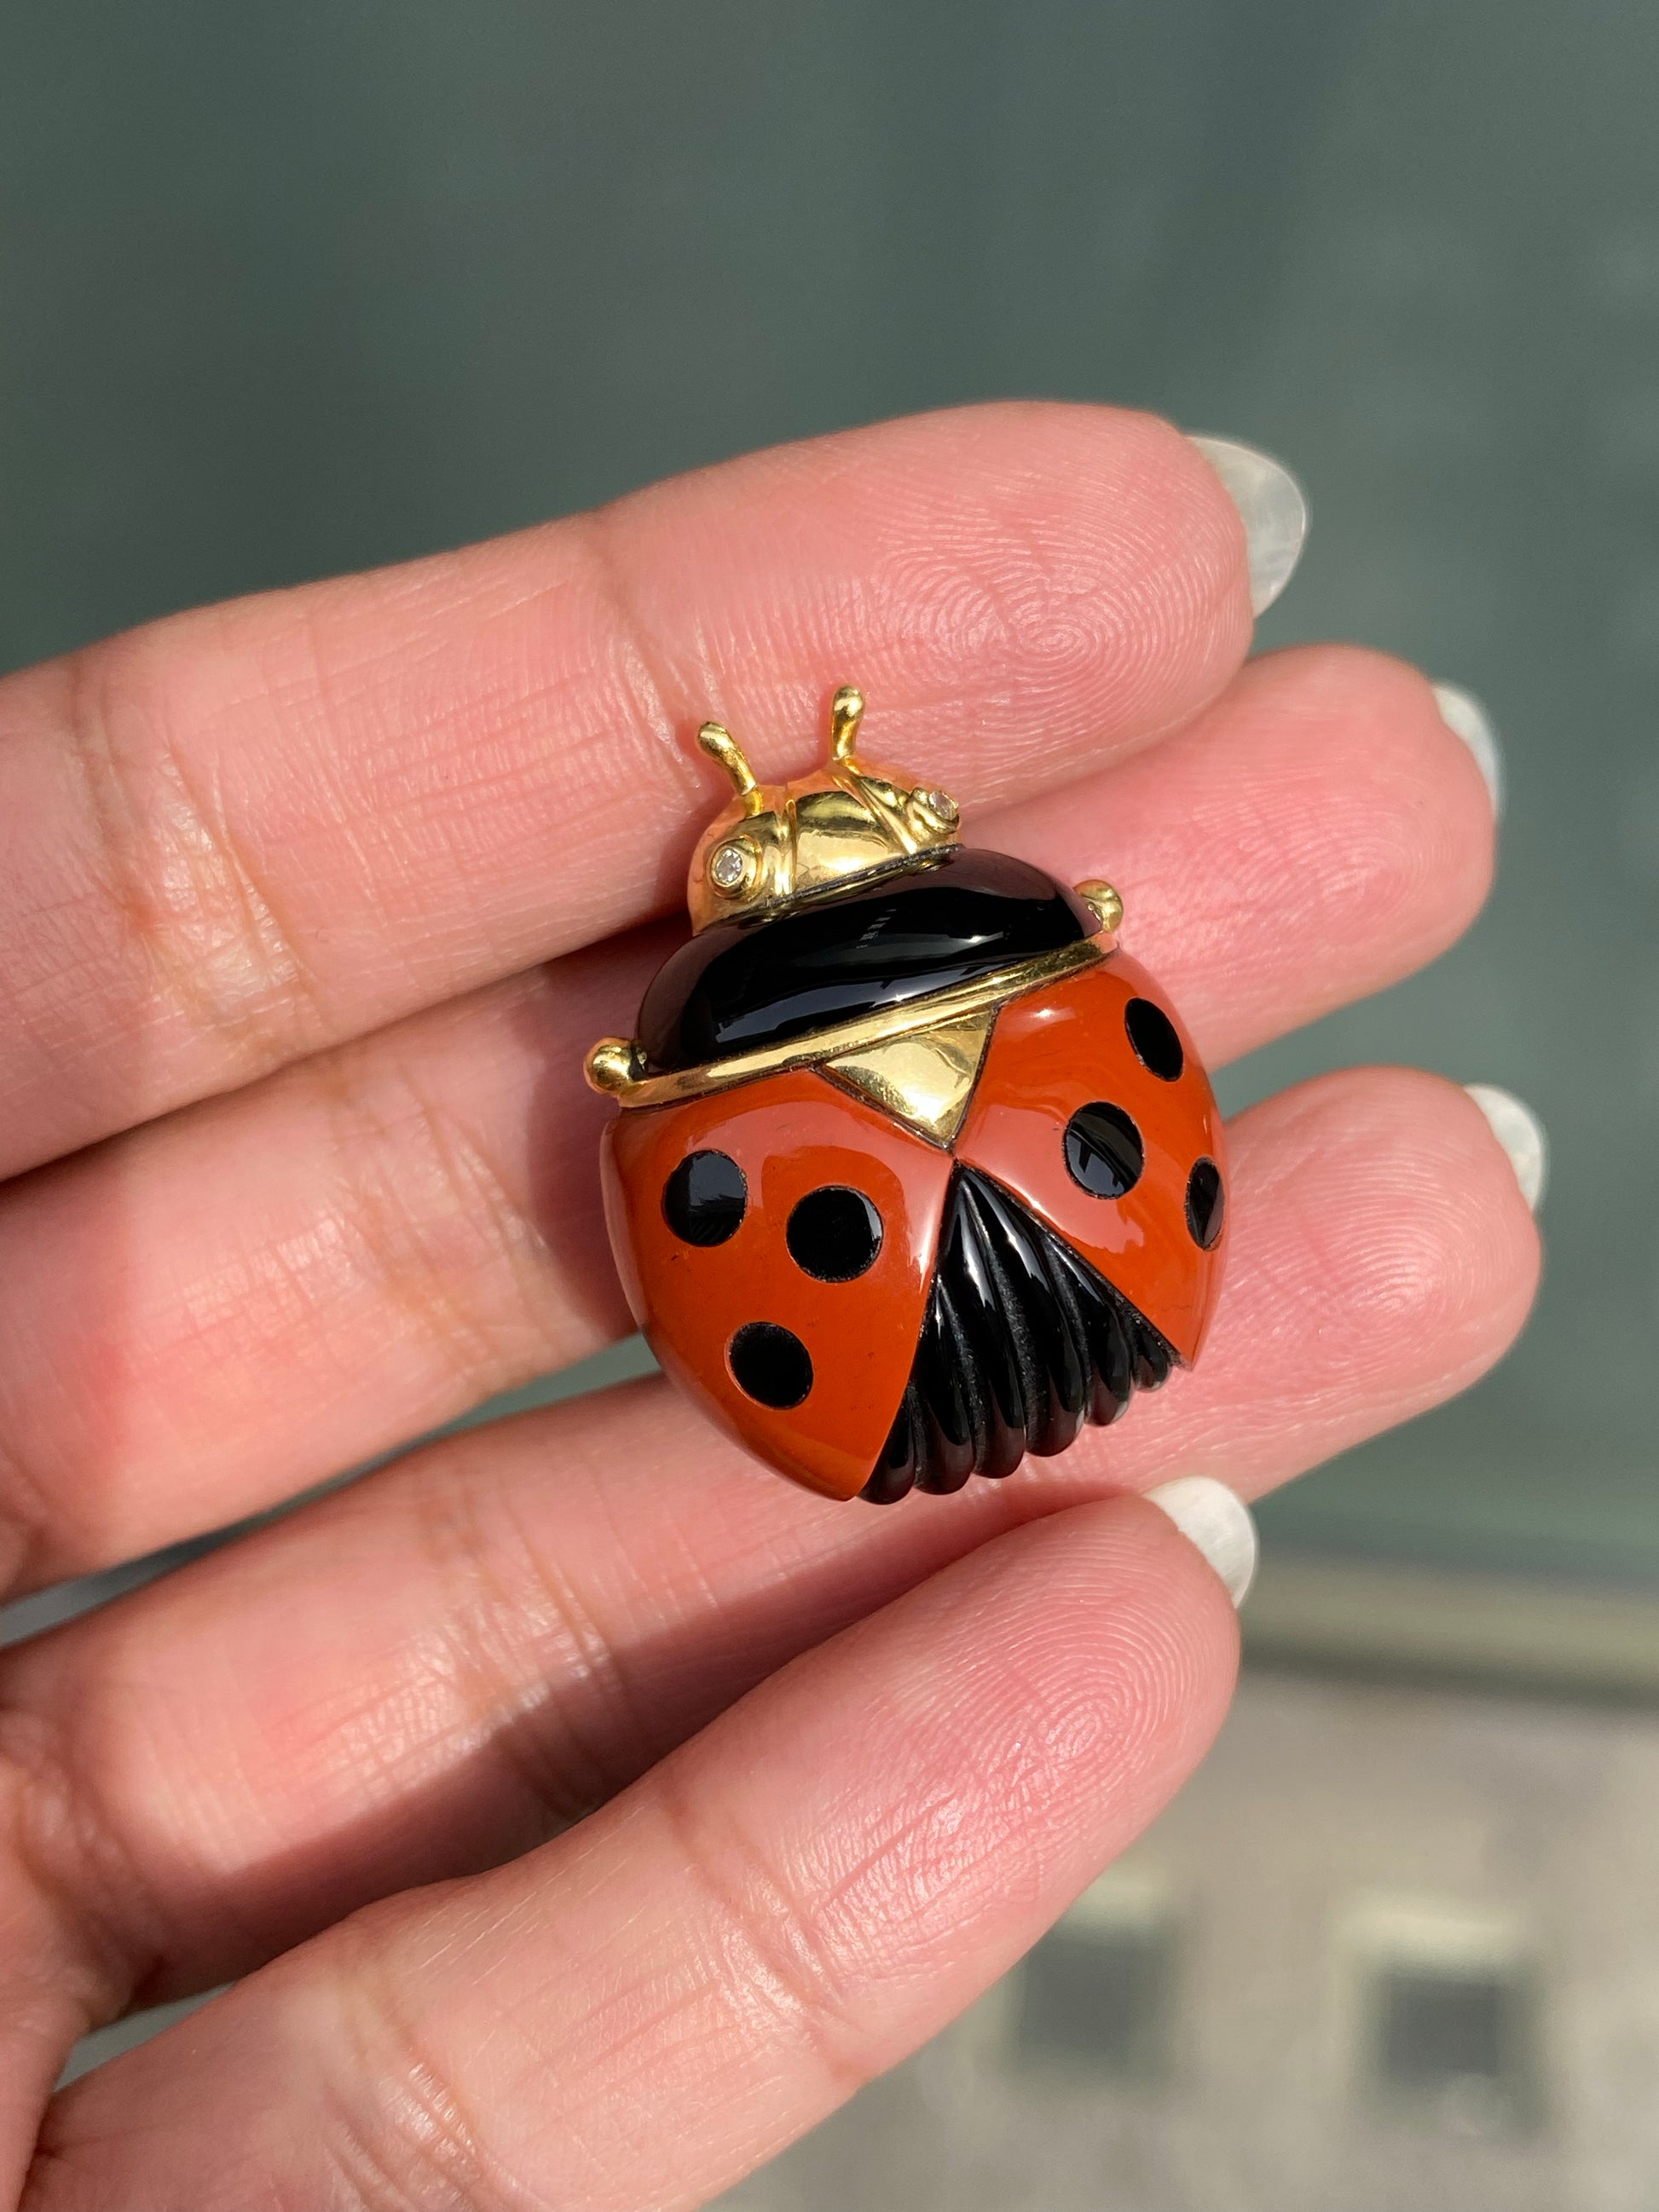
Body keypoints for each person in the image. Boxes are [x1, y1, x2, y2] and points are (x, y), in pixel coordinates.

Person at [0, 403, 1540, 2210]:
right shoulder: (1056, 976)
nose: (803, 821)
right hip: (1095, 1321)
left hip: (882, 1401)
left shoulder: (701, 1083)